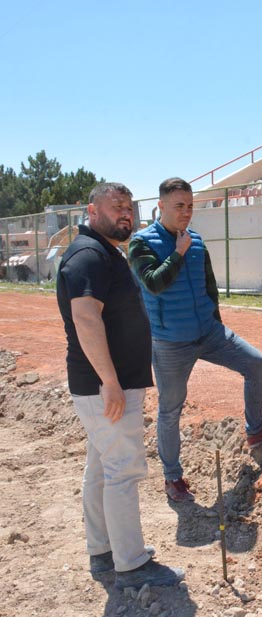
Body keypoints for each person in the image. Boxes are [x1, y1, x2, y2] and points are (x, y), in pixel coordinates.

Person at [128, 177, 262, 503]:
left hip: (210, 333)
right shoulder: (141, 244)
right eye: (179, 206)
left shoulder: (196, 241)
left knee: (256, 364)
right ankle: (172, 478)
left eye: (190, 206)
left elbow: (209, 287)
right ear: (161, 206)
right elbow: (153, 284)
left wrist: (215, 321)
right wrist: (176, 253)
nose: (187, 212)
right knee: (170, 409)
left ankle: (255, 429)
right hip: (171, 342)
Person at [57, 182, 185, 588]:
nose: (125, 213)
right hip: (106, 388)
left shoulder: (103, 253)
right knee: (123, 471)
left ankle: (102, 548)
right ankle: (131, 562)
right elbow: (86, 318)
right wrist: (110, 381)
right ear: (92, 211)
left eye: (129, 207)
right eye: (116, 207)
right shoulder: (89, 256)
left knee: (102, 469)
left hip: (105, 386)